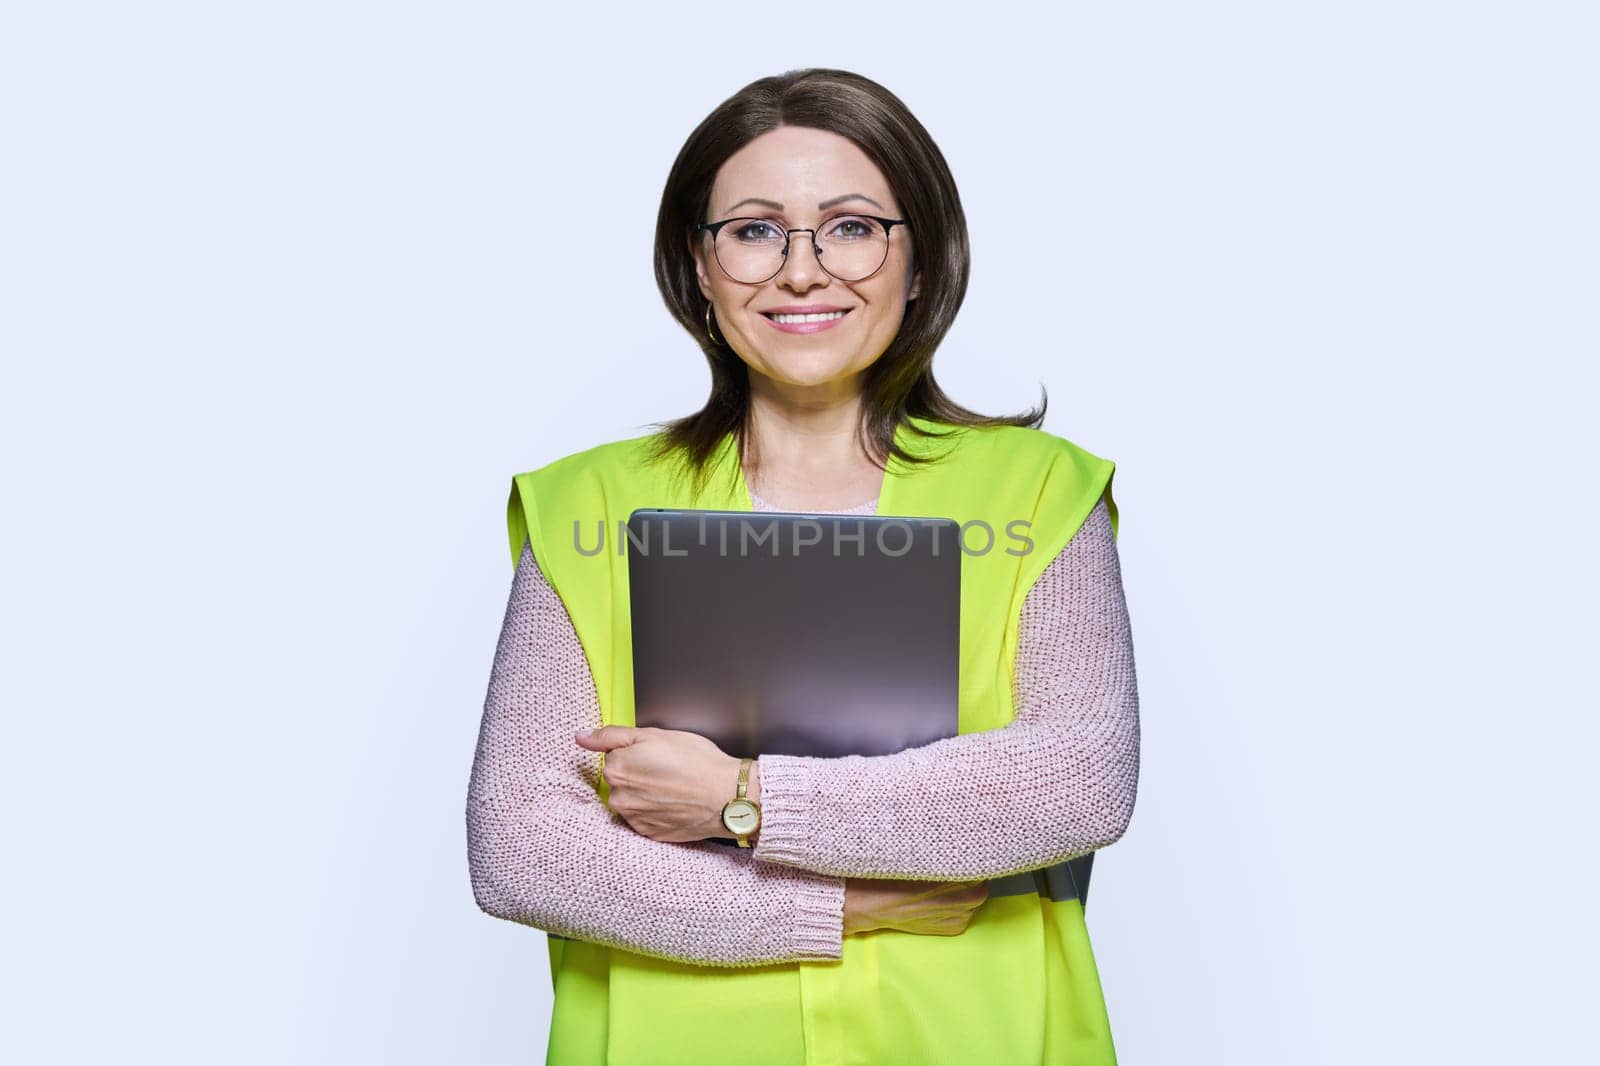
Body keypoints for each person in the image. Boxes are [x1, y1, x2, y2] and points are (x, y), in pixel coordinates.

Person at [466, 67, 1140, 1065]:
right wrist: (835, 906)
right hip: (670, 1042)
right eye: (751, 229)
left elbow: (1075, 782)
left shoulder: (1039, 493)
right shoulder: (588, 505)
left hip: (976, 1035)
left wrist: (739, 800)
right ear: (697, 266)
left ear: (920, 261)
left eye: (852, 226)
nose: (802, 270)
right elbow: (520, 845)